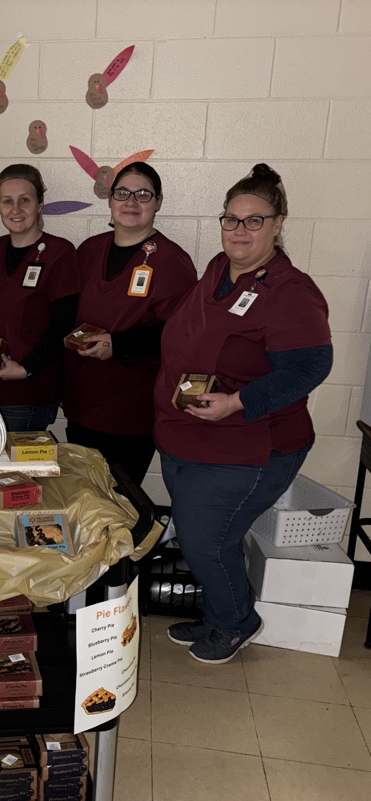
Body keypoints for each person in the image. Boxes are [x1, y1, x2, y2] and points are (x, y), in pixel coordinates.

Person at [153, 164, 332, 664]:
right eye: (231, 219)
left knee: (209, 541)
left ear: (278, 224)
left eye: (255, 221)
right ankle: (218, 613)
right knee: (197, 536)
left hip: (252, 442)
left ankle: (236, 624)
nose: (239, 231)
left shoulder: (291, 291)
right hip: (190, 434)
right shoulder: (218, 268)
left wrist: (237, 402)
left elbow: (310, 366)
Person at [62, 163, 197, 486]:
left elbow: (181, 337)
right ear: (110, 200)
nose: (131, 202)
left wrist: (118, 345)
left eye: (143, 195)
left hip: (131, 415)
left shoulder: (173, 262)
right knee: (81, 502)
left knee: (120, 510)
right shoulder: (89, 251)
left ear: (159, 202)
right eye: (122, 193)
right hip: (82, 406)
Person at [0, 164, 79, 431]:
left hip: (29, 392)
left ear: (40, 203)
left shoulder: (60, 253)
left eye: (25, 200)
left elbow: (64, 325)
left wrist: (26, 368)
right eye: (7, 201)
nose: (15, 210)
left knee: (16, 473)